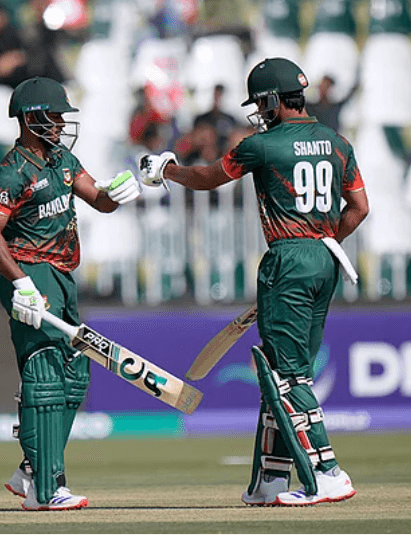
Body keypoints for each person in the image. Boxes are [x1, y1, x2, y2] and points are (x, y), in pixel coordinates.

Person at [139, 57, 369, 507]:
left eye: (262, 103)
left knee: (286, 374)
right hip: (327, 257)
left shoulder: (264, 144)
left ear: (272, 100)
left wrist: (167, 170)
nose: (259, 112)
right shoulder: (337, 142)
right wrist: (322, 242)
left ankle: (327, 472)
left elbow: (208, 177)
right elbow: (358, 208)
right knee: (278, 369)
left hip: (288, 257)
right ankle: (271, 480)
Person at [0, 76, 141, 511]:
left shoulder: (64, 160)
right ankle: (47, 489)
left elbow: (98, 199)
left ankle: (32, 470)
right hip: (30, 273)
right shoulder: (11, 171)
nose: (62, 123)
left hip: (63, 275)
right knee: (45, 372)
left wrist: (118, 194)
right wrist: (22, 285)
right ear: (32, 118)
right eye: (55, 116)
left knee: (74, 374)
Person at [21, 0, 69, 83]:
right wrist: (40, 18)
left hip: (60, 72)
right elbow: (29, 39)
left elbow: (76, 35)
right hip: (34, 73)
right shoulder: (25, 13)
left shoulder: (61, 9)